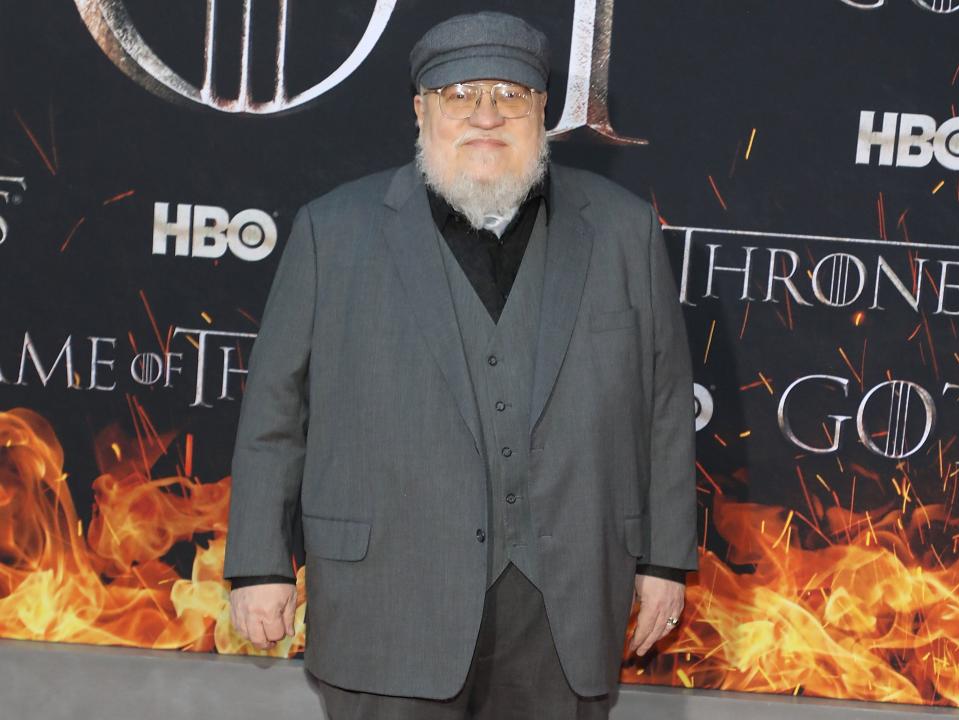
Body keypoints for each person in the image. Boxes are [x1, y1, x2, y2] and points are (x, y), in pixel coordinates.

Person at [223, 10, 697, 719]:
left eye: (510, 95)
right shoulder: (334, 230)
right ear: (422, 110)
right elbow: (275, 413)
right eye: (460, 94)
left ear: (543, 111)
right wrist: (260, 565)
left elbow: (663, 408)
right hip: (386, 600)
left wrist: (663, 561)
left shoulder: (623, 230)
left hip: (563, 602)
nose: (486, 115)